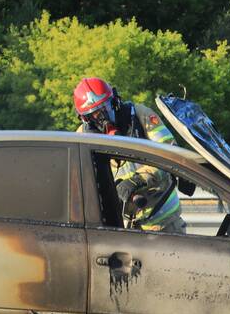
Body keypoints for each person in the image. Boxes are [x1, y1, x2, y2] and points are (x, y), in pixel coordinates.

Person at [74, 77, 187, 234]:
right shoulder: (83, 136)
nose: (104, 118)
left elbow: (171, 156)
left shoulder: (140, 116)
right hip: (122, 231)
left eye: (106, 108)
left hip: (164, 222)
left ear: (115, 101)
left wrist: (137, 180)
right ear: (85, 118)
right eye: (95, 114)